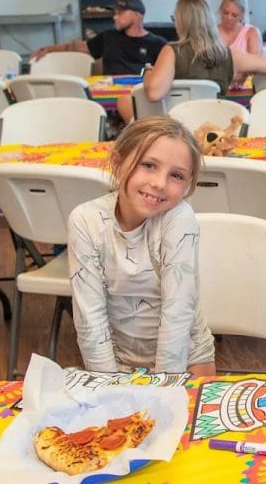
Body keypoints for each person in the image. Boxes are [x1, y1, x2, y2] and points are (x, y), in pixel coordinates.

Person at [67, 116, 216, 375]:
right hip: (118, 362)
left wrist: (165, 389)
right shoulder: (86, 220)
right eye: (148, 165)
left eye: (176, 175)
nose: (159, 183)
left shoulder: (178, 218)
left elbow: (178, 313)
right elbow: (90, 319)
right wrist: (109, 386)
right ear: (118, 162)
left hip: (186, 359)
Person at [121, 0, 266, 122]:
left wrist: (149, 72)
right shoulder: (229, 54)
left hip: (177, 128)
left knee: (124, 102)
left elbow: (154, 93)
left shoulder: (171, 51)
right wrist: (247, 70)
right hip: (216, 127)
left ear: (182, 22)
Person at [31, 0, 167, 75]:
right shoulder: (108, 36)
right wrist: (49, 48)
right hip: (108, 95)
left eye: (120, 13)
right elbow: (78, 47)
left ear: (137, 15)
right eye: (114, 13)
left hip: (141, 94)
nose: (115, 17)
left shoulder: (158, 44)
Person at [217, 0, 265, 89]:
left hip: (245, 88)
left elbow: (255, 63)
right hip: (218, 86)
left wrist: (243, 74)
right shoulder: (211, 32)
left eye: (234, 15)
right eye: (225, 13)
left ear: (242, 15)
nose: (229, 18)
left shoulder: (252, 32)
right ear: (221, 9)